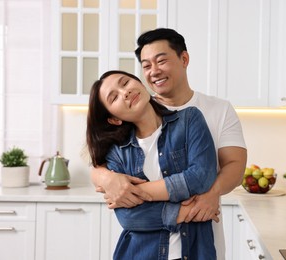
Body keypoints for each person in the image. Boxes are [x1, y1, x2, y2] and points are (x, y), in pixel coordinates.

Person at [91, 28, 247, 259]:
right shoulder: (133, 114)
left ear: (184, 59)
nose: (154, 71)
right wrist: (106, 178)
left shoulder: (212, 110)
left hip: (201, 234)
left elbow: (234, 165)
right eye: (146, 66)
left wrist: (211, 193)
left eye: (161, 61)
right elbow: (99, 163)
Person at [86, 70, 218, 259]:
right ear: (114, 119)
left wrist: (135, 192)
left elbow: (201, 177)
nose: (125, 93)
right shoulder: (117, 153)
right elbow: (128, 217)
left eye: (125, 83)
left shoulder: (189, 120)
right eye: (114, 97)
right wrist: (186, 211)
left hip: (196, 252)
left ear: (138, 83)